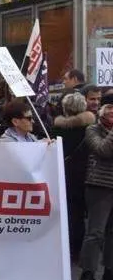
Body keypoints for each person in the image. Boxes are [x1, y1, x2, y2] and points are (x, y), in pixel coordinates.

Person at [0, 100, 50, 280]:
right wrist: (39, 150)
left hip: (31, 201)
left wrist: (46, 149)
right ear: (16, 121)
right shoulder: (5, 142)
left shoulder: (32, 138)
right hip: (12, 202)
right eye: (28, 118)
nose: (32, 121)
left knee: (30, 244)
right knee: (9, 247)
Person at [53, 93, 95, 261]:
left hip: (64, 173)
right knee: (87, 214)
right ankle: (82, 249)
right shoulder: (90, 127)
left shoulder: (58, 128)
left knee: (70, 212)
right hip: (87, 173)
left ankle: (69, 247)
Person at [78, 101, 113, 280]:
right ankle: (87, 273)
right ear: (101, 113)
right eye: (109, 110)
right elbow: (103, 150)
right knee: (95, 232)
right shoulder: (92, 130)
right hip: (99, 186)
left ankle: (109, 271)